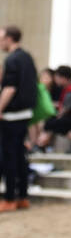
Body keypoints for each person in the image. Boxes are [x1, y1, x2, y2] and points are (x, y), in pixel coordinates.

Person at [0, 25, 40, 213]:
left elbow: (10, 88)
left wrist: (0, 108)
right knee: (20, 156)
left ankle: (9, 198)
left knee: (9, 157)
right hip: (26, 113)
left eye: (1, 38)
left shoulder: (13, 59)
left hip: (12, 115)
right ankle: (22, 196)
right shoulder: (27, 58)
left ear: (9, 38)